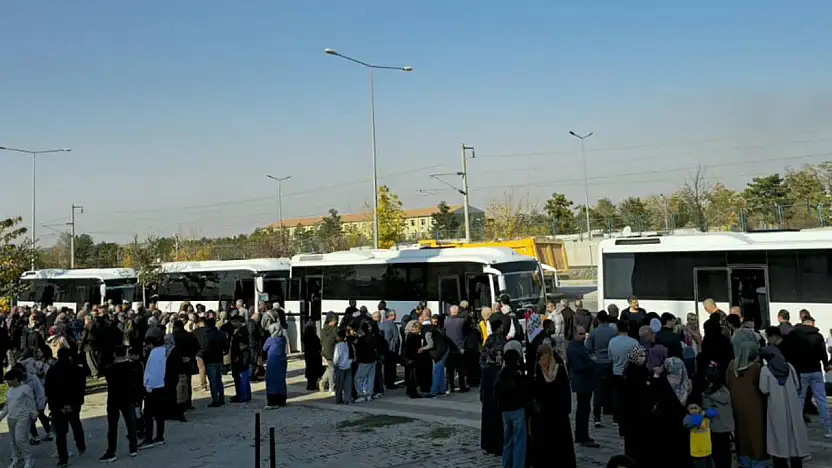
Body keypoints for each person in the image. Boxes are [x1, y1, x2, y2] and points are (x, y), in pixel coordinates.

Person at [759, 345, 809, 467]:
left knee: (778, 435)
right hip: (793, 406)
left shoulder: (765, 370)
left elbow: (764, 389)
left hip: (776, 407)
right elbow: (797, 386)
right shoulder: (789, 367)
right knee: (794, 435)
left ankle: (780, 461)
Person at [529, 343, 576, 468]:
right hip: (558, 414)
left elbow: (535, 392)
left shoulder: (538, 369)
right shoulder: (558, 367)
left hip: (545, 415)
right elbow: (565, 390)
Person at [726, 330, 767, 468]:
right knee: (756, 433)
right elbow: (763, 388)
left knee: (741, 432)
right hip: (755, 405)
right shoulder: (756, 368)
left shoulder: (732, 366)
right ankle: (757, 460)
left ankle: (743, 459)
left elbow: (728, 383)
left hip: (736, 404)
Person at [788, 314, 832, 437]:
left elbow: (791, 353)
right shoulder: (818, 336)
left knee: (800, 399)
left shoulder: (795, 336)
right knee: (822, 400)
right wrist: (826, 365)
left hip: (801, 371)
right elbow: (823, 353)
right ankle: (828, 429)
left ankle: (797, 428)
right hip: (816, 370)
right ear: (812, 323)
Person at [45, 347, 87, 466]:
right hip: (73, 403)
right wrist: (73, 404)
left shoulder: (52, 371)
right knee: (76, 423)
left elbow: (49, 390)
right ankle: (80, 444)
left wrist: (57, 406)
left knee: (61, 433)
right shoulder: (77, 370)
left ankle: (63, 458)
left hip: (58, 406)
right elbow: (80, 388)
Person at [100, 345, 141, 462]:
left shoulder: (109, 369)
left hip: (114, 399)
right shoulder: (132, 366)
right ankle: (133, 448)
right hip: (128, 397)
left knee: (112, 426)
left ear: (114, 354)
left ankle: (111, 451)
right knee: (131, 423)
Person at [494, 349, 529, 468]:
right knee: (519, 442)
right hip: (517, 410)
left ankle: (506, 464)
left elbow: (496, 393)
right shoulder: (517, 376)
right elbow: (525, 393)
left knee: (507, 441)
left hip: (505, 412)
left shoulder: (501, 375)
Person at [567, 325, 599, 448]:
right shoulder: (574, 348)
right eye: (580, 334)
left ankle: (582, 435)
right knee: (583, 410)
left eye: (584, 334)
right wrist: (592, 363)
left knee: (584, 410)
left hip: (585, 382)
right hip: (582, 383)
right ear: (574, 334)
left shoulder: (579, 346)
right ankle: (582, 436)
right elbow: (578, 367)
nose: (583, 336)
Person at [619, 345, 651, 467]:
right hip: (632, 414)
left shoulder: (643, 371)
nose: (644, 358)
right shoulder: (630, 373)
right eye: (641, 356)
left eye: (645, 356)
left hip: (642, 414)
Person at [1, 368, 37, 468]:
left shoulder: (25, 388)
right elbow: (7, 406)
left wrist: (34, 414)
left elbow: (31, 402)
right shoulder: (9, 391)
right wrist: (1, 416)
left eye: (9, 380)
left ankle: (28, 459)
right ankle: (16, 458)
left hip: (23, 417)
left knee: (20, 439)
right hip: (11, 418)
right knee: (13, 441)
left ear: (16, 379)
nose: (7, 382)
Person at [480, 317, 506, 456]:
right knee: (497, 413)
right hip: (496, 377)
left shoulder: (488, 340)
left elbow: (482, 358)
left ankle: (487, 444)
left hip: (487, 377)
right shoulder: (501, 341)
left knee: (488, 413)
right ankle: (498, 445)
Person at [586, 310, 616, 427]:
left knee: (597, 391)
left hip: (598, 363)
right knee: (612, 390)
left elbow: (588, 348)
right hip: (610, 362)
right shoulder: (613, 332)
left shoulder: (594, 333)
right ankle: (614, 417)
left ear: (598, 319)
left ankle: (597, 417)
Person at [609, 320, 640, 431]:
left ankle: (616, 418)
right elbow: (638, 358)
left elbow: (610, 356)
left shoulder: (612, 341)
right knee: (629, 395)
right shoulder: (634, 342)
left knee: (617, 395)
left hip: (616, 371)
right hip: (630, 373)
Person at [702, 363, 734, 468]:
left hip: (716, 427)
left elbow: (710, 412)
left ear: (707, 379)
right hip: (727, 426)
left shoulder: (707, 395)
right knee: (726, 453)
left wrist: (702, 413)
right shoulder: (726, 391)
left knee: (717, 455)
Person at [140, 336, 167, 449]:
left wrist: (147, 385)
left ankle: (148, 438)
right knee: (160, 414)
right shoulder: (164, 351)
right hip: (162, 385)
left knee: (148, 414)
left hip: (153, 387)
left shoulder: (153, 354)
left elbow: (151, 372)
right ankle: (160, 436)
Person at [683, 393, 719, 468]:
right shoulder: (688, 418)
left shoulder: (705, 415)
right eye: (691, 408)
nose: (693, 410)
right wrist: (701, 415)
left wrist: (704, 412)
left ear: (700, 408)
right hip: (697, 452)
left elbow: (715, 412)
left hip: (708, 450)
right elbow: (695, 421)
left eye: (695, 408)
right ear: (687, 409)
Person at [201, 318, 227, 407]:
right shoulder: (221, 334)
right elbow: (226, 347)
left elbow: (205, 349)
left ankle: (215, 400)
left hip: (210, 360)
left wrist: (204, 358)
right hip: (219, 358)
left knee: (213, 381)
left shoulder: (207, 335)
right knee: (219, 380)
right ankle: (221, 398)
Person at [264, 322, 289, 409]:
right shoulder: (283, 339)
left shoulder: (270, 340)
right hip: (282, 362)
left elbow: (264, 348)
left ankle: (272, 400)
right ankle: (282, 399)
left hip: (272, 362)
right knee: (281, 380)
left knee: (271, 381)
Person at [229, 314, 252, 403]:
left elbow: (242, 347)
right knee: (241, 378)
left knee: (243, 378)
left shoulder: (242, 332)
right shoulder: (237, 331)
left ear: (239, 321)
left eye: (235, 322)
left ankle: (243, 396)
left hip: (241, 358)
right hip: (239, 357)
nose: (233, 323)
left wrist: (237, 357)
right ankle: (243, 395)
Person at [401, 320, 424, 398]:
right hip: (413, 358)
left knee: (408, 376)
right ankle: (413, 393)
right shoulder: (416, 337)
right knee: (413, 377)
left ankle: (409, 390)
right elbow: (416, 348)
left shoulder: (409, 335)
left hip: (408, 358)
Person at [332, 329, 353, 405]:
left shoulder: (338, 346)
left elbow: (336, 358)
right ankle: (347, 400)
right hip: (348, 366)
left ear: (341, 337)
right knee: (348, 385)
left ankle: (338, 399)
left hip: (340, 367)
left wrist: (335, 365)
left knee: (339, 385)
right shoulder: (349, 345)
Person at [302, 321, 323, 391]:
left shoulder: (305, 336)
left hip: (307, 355)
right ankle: (313, 385)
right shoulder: (315, 337)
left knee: (309, 369)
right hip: (315, 356)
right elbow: (318, 346)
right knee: (315, 370)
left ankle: (309, 384)